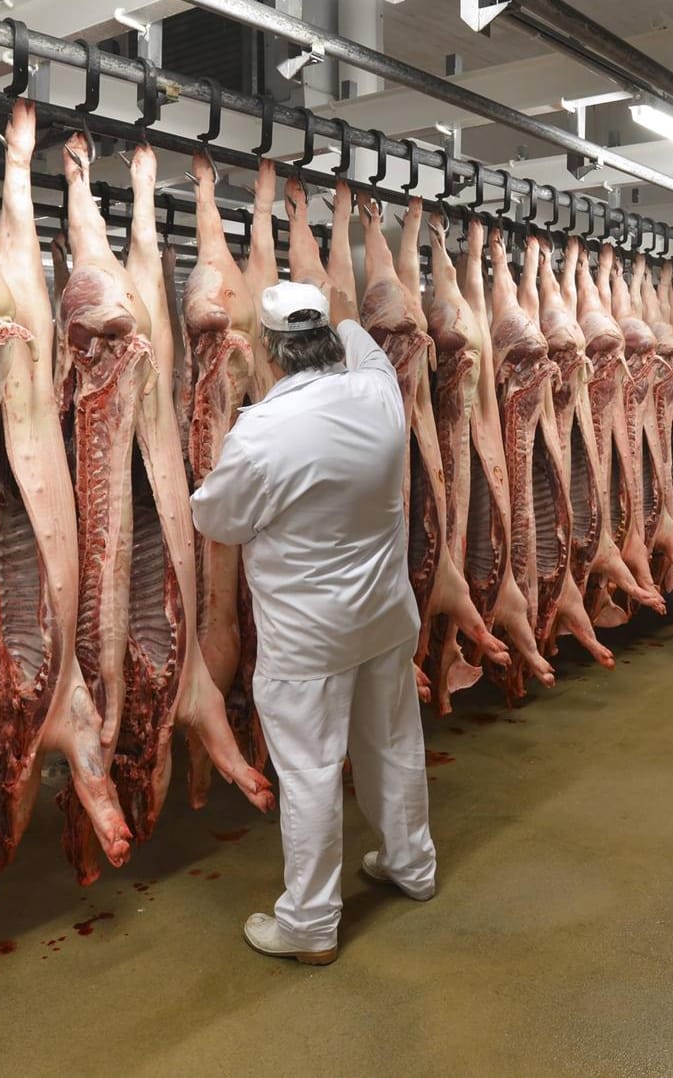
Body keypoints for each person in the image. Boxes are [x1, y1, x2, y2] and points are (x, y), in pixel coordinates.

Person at [190, 280, 437, 966]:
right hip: (384, 615)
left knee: (309, 771)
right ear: (326, 337)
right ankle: (411, 865)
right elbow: (359, 338)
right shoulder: (377, 391)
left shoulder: (263, 431)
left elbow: (218, 518)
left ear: (268, 352)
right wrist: (330, 302)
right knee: (391, 746)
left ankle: (309, 925)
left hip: (308, 637)